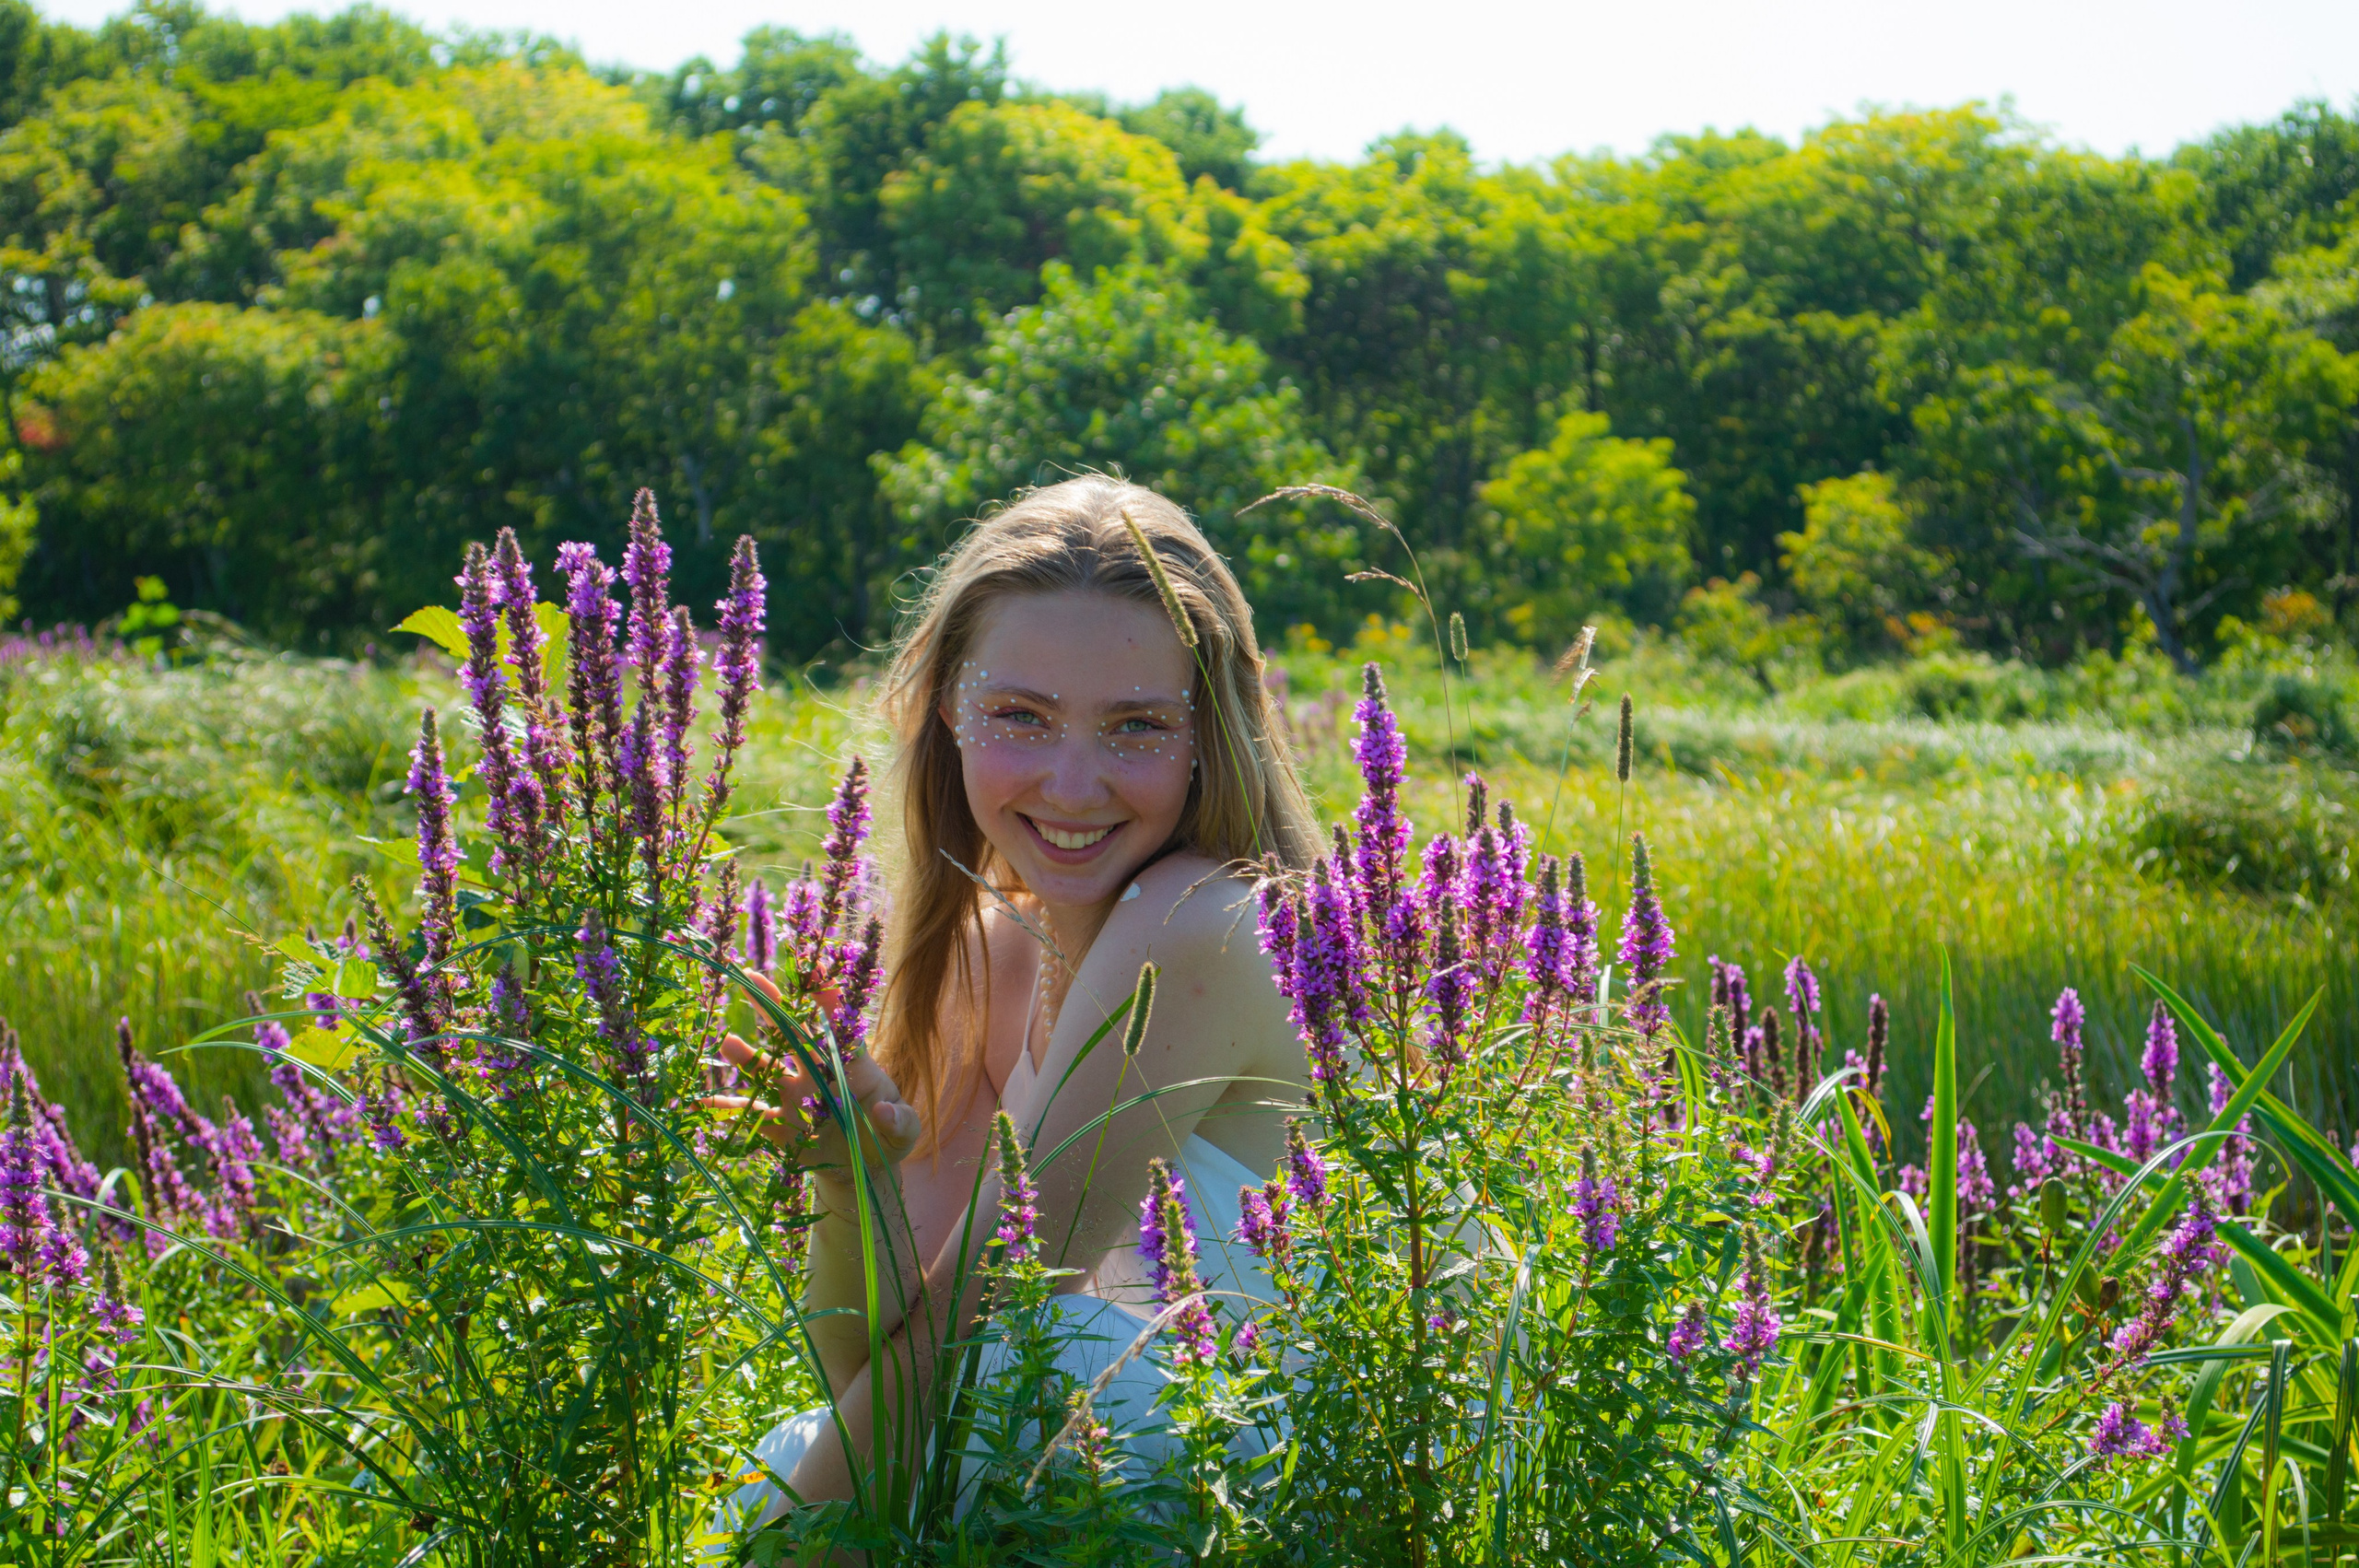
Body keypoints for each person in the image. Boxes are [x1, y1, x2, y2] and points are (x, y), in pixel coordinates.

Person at [706, 474, 1322, 1535]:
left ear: (1211, 733)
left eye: (1135, 725)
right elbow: (883, 1367)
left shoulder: (1201, 921)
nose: (1072, 784)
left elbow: (954, 1338)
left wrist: (789, 1554)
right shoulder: (993, 954)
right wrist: (848, 1185)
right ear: (947, 706)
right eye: (1019, 716)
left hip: (1239, 1512)